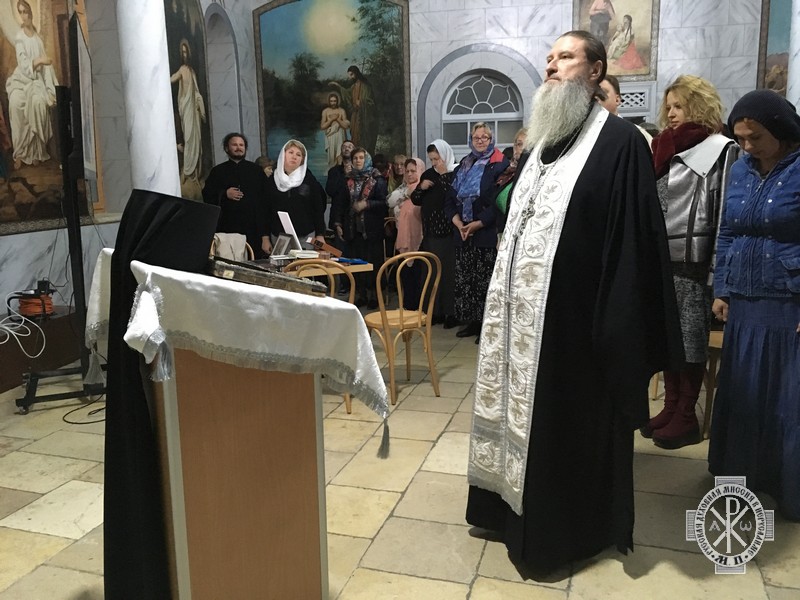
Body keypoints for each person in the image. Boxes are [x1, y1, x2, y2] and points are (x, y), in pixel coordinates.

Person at [466, 31, 683, 576]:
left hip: (574, 325)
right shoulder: (543, 141)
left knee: (561, 429)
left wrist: (615, 328)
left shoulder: (621, 143)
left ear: (595, 71)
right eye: (549, 58)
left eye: (565, 57)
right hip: (518, 322)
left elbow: (632, 245)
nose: (551, 67)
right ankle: (502, 509)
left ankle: (560, 535)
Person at [709, 90, 800, 521]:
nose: (747, 146)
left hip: (788, 303)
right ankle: (744, 480)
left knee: (787, 401)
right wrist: (722, 287)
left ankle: (788, 486)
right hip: (744, 300)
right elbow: (728, 230)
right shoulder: (741, 168)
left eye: (756, 137)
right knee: (745, 396)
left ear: (781, 131)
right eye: (740, 138)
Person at [642, 75, 738, 449]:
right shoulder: (664, 147)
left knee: (690, 340)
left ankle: (686, 415)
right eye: (668, 107)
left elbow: (724, 214)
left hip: (694, 265)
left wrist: (716, 273)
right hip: (662, 261)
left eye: (679, 106)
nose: (671, 113)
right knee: (668, 338)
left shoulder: (721, 148)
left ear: (699, 105)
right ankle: (670, 407)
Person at [444, 122, 508, 341]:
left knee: (485, 281)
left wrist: (478, 223)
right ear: (470, 140)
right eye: (476, 137)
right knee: (467, 280)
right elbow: (449, 200)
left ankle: (487, 326)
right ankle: (472, 321)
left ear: (491, 139)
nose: (480, 141)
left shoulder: (499, 164)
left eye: (484, 137)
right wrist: (458, 223)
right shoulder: (464, 164)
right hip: (462, 233)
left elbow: (498, 201)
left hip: (485, 233)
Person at [411, 140, 459, 328]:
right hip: (431, 232)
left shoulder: (454, 173)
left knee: (448, 274)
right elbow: (416, 199)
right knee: (431, 273)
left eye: (437, 159)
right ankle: (434, 311)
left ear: (445, 156)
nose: (434, 163)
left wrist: (444, 175)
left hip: (448, 232)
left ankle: (450, 313)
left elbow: (454, 197)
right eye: (431, 159)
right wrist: (420, 188)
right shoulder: (428, 175)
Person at [6, 0, 58, 171]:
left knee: (37, 102)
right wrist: (40, 60)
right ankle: (20, 153)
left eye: (25, 11)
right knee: (15, 103)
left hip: (35, 81)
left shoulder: (37, 38)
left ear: (30, 13)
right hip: (21, 80)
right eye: (20, 12)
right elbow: (24, 65)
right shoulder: (20, 38)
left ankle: (36, 152)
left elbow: (46, 68)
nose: (23, 16)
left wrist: (50, 88)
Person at [202, 132, 270, 257]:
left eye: (241, 145)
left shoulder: (256, 171)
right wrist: (224, 194)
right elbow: (207, 196)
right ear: (227, 148)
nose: (238, 148)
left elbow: (265, 202)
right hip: (227, 228)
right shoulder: (217, 171)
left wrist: (264, 235)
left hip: (253, 229)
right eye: (234, 145)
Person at [337, 147, 387, 307]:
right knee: (356, 263)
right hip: (353, 229)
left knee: (373, 263)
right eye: (355, 158)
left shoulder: (377, 179)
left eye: (361, 158)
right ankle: (360, 294)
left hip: (372, 229)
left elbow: (384, 203)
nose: (358, 160)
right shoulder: (347, 180)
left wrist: (367, 204)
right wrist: (338, 223)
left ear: (367, 160)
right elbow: (341, 204)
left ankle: (374, 296)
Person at [264, 139, 327, 252]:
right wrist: (265, 237)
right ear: (283, 155)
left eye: (299, 155)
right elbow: (264, 210)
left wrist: (320, 234)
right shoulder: (271, 181)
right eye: (291, 152)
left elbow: (318, 208)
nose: (294, 157)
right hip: (278, 237)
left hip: (305, 236)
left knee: (306, 264)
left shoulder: (309, 180)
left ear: (302, 160)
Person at [170, 38, 206, 197]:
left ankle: (193, 173)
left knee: (195, 140)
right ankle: (187, 171)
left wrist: (200, 104)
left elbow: (196, 91)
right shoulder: (183, 70)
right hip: (186, 108)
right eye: (182, 52)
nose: (184, 55)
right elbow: (172, 79)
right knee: (189, 139)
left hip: (193, 110)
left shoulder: (191, 71)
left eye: (186, 52)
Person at [389, 157, 426, 308]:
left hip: (420, 240)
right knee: (406, 276)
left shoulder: (423, 190)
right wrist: (406, 194)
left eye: (413, 171)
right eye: (407, 171)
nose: (409, 174)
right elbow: (390, 202)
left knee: (418, 277)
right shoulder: (402, 190)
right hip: (404, 239)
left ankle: (418, 310)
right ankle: (408, 308)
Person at [329, 66, 378, 155]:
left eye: (351, 75)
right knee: (354, 136)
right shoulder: (353, 86)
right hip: (355, 116)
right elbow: (347, 94)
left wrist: (362, 103)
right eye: (349, 75)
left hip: (364, 117)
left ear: (356, 74)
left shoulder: (366, 86)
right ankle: (356, 155)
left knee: (363, 138)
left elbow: (371, 103)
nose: (350, 77)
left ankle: (364, 156)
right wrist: (338, 86)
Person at [598, 74, 653, 145]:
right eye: (593, 93)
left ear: (617, 100)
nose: (596, 97)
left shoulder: (637, 134)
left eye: (602, 92)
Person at [320, 92, 350, 168]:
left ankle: (340, 169)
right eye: (331, 101)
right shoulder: (325, 111)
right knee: (332, 157)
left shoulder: (341, 111)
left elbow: (346, 126)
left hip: (340, 134)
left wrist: (337, 119)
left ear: (337, 101)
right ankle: (332, 170)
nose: (333, 103)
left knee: (340, 154)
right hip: (331, 136)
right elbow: (322, 126)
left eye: (334, 101)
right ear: (329, 101)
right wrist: (331, 120)